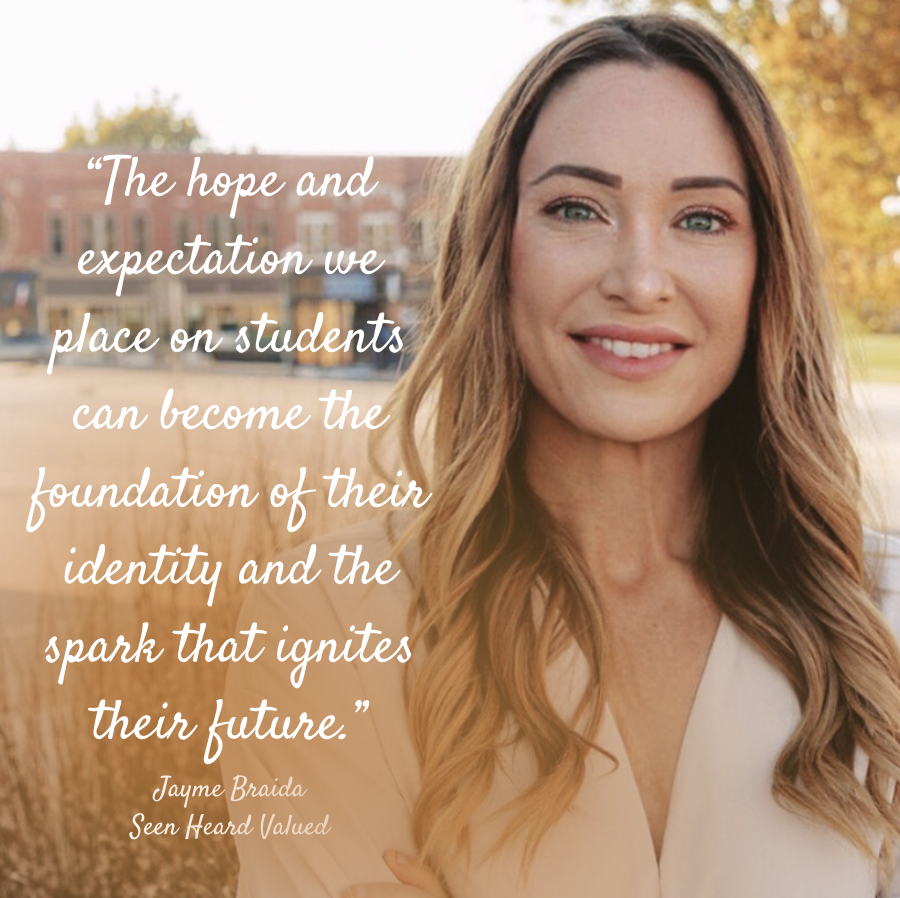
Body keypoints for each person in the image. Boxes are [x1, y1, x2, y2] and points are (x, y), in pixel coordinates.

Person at [221, 13, 900, 898]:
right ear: (495, 249)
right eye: (576, 208)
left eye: (702, 218)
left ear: (764, 268)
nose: (641, 277)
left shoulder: (877, 617)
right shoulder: (327, 621)